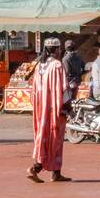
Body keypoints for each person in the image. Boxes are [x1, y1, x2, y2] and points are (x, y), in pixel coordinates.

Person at [28, 38, 69, 182]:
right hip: (53, 107)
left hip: (41, 108)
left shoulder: (40, 65)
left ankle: (55, 172)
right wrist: (66, 107)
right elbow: (64, 88)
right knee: (55, 138)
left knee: (44, 136)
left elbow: (33, 89)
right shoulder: (57, 65)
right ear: (57, 49)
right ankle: (36, 168)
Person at [61, 40, 85, 105]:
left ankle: (68, 112)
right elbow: (83, 67)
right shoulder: (79, 57)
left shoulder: (65, 58)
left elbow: (67, 71)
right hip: (78, 80)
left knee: (67, 101)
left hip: (70, 81)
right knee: (74, 99)